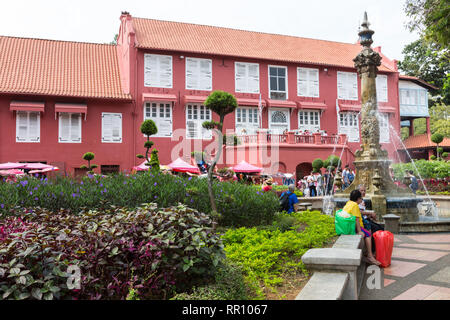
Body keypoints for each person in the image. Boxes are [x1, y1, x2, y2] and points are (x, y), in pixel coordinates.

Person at [343, 189, 380, 266]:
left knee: (368, 230)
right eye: (361, 198)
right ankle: (370, 256)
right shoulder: (355, 205)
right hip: (354, 227)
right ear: (358, 199)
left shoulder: (349, 203)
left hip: (349, 225)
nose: (361, 200)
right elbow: (356, 219)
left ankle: (367, 253)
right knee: (368, 235)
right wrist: (359, 231)